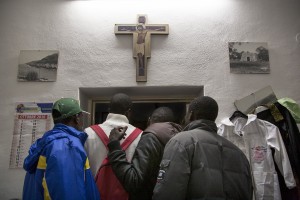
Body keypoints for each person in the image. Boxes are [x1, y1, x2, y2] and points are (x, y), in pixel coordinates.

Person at [152, 96, 253, 200]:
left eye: (186, 114)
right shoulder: (239, 154)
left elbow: (168, 191)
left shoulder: (180, 142)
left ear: (191, 115)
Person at [22, 98, 100, 200]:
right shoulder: (67, 145)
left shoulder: (48, 141)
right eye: (81, 116)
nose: (82, 120)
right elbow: (67, 191)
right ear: (76, 118)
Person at [108, 106, 182, 200]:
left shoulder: (150, 138)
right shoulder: (180, 139)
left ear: (149, 120)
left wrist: (114, 145)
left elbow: (134, 181)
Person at [84, 93, 142, 178]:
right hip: (126, 190)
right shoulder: (140, 135)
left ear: (109, 110)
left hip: (95, 189)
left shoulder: (89, 132)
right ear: (129, 112)